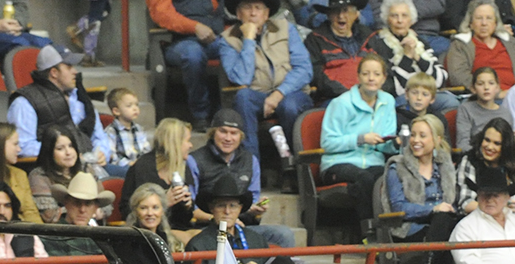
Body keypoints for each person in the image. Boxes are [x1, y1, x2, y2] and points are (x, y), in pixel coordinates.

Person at [220, 0, 314, 160]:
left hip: (291, 93)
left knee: (289, 106)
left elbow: (304, 69)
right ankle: (250, 164)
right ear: (238, 14)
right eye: (247, 7)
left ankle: (295, 161)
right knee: (243, 97)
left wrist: (279, 93)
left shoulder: (285, 28)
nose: (253, 13)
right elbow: (241, 78)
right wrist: (248, 40)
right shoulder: (228, 39)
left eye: (258, 8)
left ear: (266, 13)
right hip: (258, 96)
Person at [382, 111, 463, 264]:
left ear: (437, 140)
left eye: (422, 135)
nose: (415, 140)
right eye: (413, 135)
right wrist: (433, 209)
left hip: (442, 227)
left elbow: (453, 202)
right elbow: (398, 207)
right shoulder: (397, 167)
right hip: (411, 228)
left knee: (449, 222)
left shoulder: (445, 166)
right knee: (445, 226)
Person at [319, 51, 398, 233]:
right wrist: (360, 139)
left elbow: (385, 143)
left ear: (384, 78)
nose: (371, 78)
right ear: (358, 76)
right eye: (366, 73)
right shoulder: (341, 103)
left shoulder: (388, 101)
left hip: (373, 161)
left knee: (390, 176)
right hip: (338, 162)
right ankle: (369, 230)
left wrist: (395, 144)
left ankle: (393, 231)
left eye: (376, 74)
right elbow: (328, 143)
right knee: (364, 179)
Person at [193, 108, 296, 244]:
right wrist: (219, 219)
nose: (228, 138)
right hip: (208, 228)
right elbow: (190, 208)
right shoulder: (195, 160)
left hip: (242, 228)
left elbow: (252, 200)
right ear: (213, 133)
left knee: (284, 234)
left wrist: (254, 209)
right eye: (223, 131)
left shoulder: (250, 160)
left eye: (234, 133)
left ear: (241, 136)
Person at [9, 45, 113, 165]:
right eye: (69, 67)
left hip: (91, 165)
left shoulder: (80, 96)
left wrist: (102, 153)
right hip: (52, 170)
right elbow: (24, 146)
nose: (75, 72)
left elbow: (99, 135)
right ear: (54, 72)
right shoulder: (24, 102)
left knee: (129, 173)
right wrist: (63, 152)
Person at [183, 172, 268, 264]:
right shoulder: (198, 244)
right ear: (212, 208)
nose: (227, 211)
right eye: (221, 205)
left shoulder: (256, 239)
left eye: (232, 206)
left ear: (240, 208)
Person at [151, 0, 229, 128]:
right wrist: (194, 27)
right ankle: (201, 115)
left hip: (215, 37)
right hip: (178, 41)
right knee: (193, 55)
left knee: (236, 48)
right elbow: (162, 14)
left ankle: (228, 112)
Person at [370, 0, 454, 110]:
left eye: (404, 16)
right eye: (394, 16)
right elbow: (392, 87)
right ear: (387, 19)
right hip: (401, 98)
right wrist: (407, 57)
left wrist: (417, 57)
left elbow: (440, 79)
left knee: (450, 102)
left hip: (426, 94)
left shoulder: (420, 43)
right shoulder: (379, 45)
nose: (400, 21)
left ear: (411, 20)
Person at [443, 0, 515, 95]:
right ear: (470, 23)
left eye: (489, 18)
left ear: (495, 23)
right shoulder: (460, 45)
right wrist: (495, 93)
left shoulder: (510, 42)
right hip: (482, 98)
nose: (484, 23)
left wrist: (514, 92)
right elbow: (458, 77)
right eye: (479, 18)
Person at [124, 117, 198, 230]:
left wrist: (187, 206)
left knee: (208, 235)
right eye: (187, 140)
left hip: (178, 228)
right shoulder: (143, 167)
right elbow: (128, 211)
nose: (190, 145)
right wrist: (164, 203)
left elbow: (184, 220)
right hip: (151, 231)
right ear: (175, 143)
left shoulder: (183, 167)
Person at [30, 125, 105, 222]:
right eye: (60, 148)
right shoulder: (39, 176)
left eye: (71, 146)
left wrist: (98, 210)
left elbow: (105, 205)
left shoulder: (86, 168)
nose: (68, 152)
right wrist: (88, 210)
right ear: (49, 152)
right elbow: (49, 215)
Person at [457, 116, 515, 211]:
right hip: (481, 217)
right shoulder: (471, 159)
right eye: (487, 140)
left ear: (506, 146)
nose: (489, 147)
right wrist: (499, 209)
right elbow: (466, 202)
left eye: (497, 143)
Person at [306, 0, 369, 103]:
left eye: (345, 11)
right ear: (329, 15)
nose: (341, 16)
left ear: (356, 14)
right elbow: (317, 76)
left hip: (371, 95)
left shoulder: (368, 36)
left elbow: (384, 70)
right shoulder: (315, 39)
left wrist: (373, 92)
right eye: (335, 11)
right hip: (336, 98)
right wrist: (350, 95)